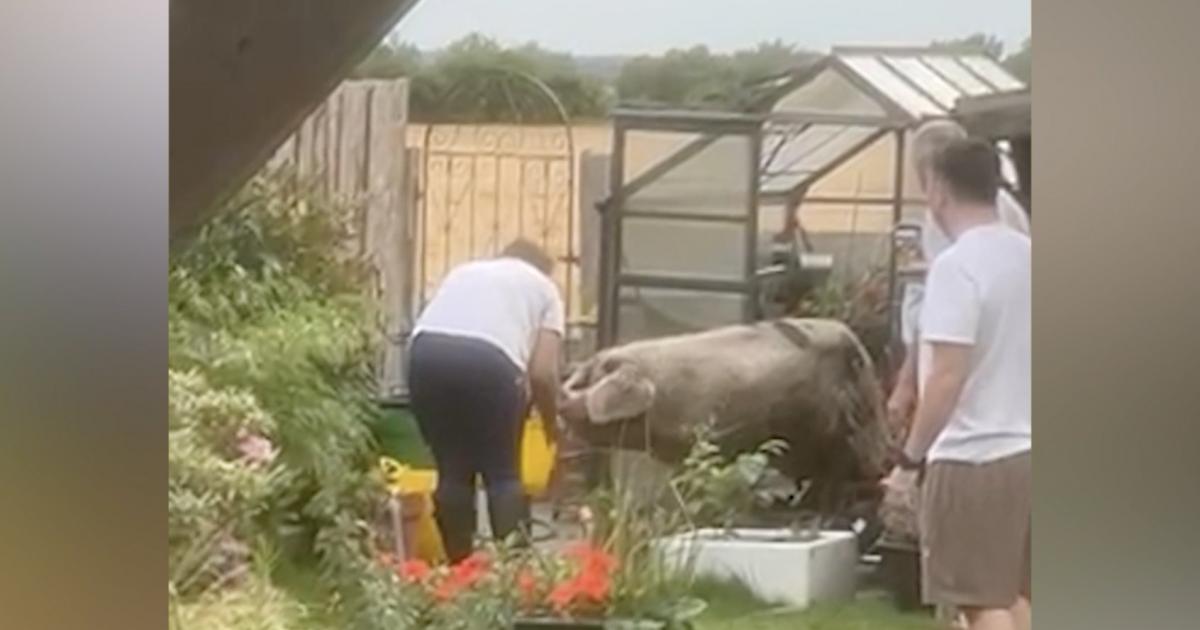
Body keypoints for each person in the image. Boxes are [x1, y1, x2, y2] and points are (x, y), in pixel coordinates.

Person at [887, 138, 1031, 630]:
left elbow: (947, 376)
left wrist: (909, 458)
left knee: (979, 600)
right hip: (1031, 450)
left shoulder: (957, 266)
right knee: (1017, 595)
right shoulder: (1029, 255)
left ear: (939, 190)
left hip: (974, 456)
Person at [406, 238, 564, 563]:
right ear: (543, 269)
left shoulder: (466, 271)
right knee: (503, 473)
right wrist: (552, 426)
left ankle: (458, 572)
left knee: (452, 470)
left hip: (426, 355)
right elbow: (543, 373)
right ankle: (514, 577)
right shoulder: (545, 288)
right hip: (491, 362)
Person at [888, 120, 1030, 432]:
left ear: (936, 178)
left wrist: (906, 383)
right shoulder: (1011, 216)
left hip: (968, 424)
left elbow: (946, 349)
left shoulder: (950, 227)